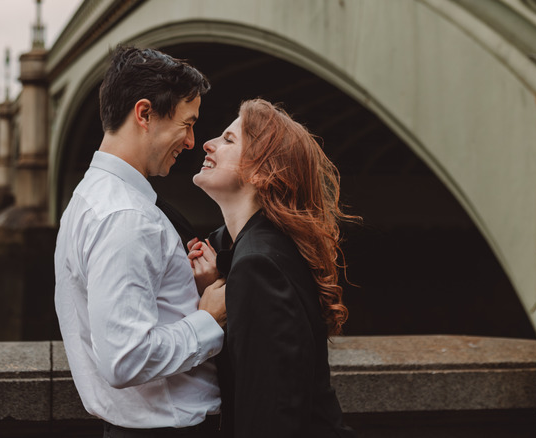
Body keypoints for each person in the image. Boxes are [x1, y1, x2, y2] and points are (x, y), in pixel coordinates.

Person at [54, 45, 227, 438]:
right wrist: (209, 320)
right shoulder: (127, 217)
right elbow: (126, 359)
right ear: (144, 113)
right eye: (187, 123)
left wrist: (184, 288)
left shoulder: (89, 199)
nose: (191, 141)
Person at [187, 98, 356, 437]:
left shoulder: (257, 265)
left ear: (260, 171)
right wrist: (215, 283)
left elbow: (269, 409)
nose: (208, 143)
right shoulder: (256, 250)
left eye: (229, 139)